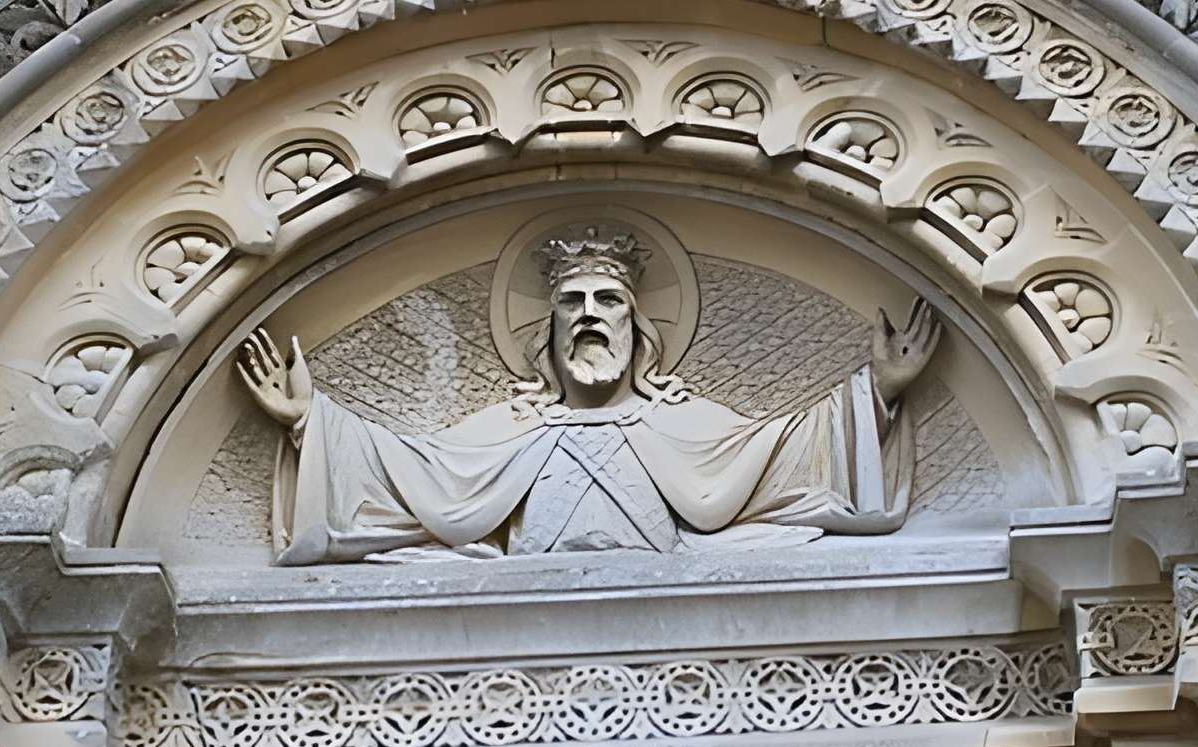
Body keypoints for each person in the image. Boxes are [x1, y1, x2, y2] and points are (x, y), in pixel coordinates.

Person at [235, 225, 940, 563]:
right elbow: (413, 474)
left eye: (609, 300)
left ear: (638, 325)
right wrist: (309, 424)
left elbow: (785, 452)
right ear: (549, 326)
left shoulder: (684, 422)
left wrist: (877, 390)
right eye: (573, 301)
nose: (591, 314)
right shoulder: (506, 430)